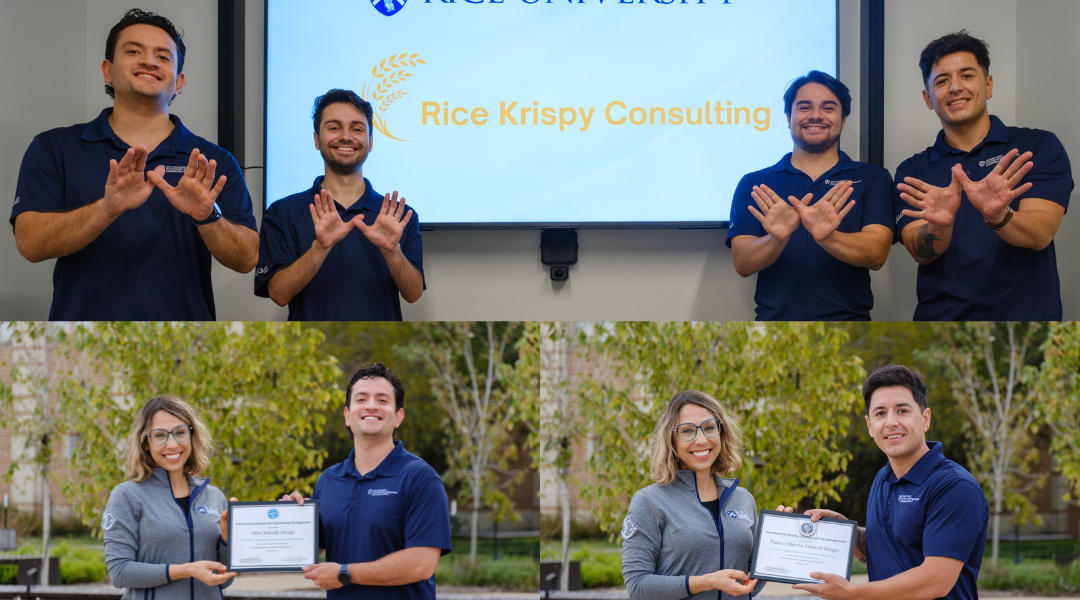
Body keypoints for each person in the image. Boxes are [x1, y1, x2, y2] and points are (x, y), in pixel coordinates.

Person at [10, 9, 259, 320]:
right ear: (107, 70)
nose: (149, 62)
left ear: (179, 81)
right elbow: (30, 243)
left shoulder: (213, 161)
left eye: (163, 57)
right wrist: (106, 209)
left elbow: (248, 257)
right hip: (82, 347)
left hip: (186, 351)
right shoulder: (54, 148)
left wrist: (207, 216)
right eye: (133, 51)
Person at [894, 30, 1073, 320]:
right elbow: (921, 252)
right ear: (928, 98)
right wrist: (940, 226)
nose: (955, 88)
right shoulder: (912, 171)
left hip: (1024, 323)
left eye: (967, 75)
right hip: (942, 321)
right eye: (942, 81)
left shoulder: (1036, 147)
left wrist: (999, 215)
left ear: (988, 85)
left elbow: (1041, 233)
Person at [780, 365, 988, 600]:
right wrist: (841, 530)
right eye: (880, 413)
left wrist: (852, 593)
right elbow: (889, 546)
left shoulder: (954, 486)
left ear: (925, 419)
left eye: (902, 411)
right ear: (870, 426)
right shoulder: (883, 478)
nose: (890, 422)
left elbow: (935, 581)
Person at [727, 71, 893, 320]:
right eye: (804, 107)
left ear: (843, 119)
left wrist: (828, 237)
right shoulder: (756, 184)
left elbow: (877, 254)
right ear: (788, 117)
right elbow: (742, 264)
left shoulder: (872, 178)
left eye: (828, 108)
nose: (815, 116)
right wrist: (775, 240)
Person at [282, 363, 451, 600]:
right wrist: (289, 521)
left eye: (382, 400)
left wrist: (345, 574)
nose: (371, 405)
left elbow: (421, 564)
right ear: (347, 415)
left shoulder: (420, 479)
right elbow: (307, 550)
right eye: (361, 399)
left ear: (398, 417)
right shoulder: (329, 479)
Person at [255, 90, 424, 320]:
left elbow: (413, 294)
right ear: (317, 139)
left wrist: (392, 251)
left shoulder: (399, 215)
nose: (346, 137)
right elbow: (278, 294)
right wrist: (320, 248)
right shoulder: (282, 212)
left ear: (371, 142)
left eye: (357, 129)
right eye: (334, 127)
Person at [621, 390, 764, 600]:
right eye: (688, 431)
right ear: (672, 440)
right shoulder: (650, 502)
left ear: (721, 434)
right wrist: (709, 582)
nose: (701, 439)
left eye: (709, 428)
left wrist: (777, 535)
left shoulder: (743, 499)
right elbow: (638, 586)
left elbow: (752, 580)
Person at [102, 396, 237, 600]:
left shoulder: (214, 496)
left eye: (180, 433)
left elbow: (224, 579)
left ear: (192, 436)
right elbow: (120, 572)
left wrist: (226, 540)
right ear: (146, 443)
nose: (172, 444)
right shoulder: (127, 496)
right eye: (160, 435)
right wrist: (187, 570)